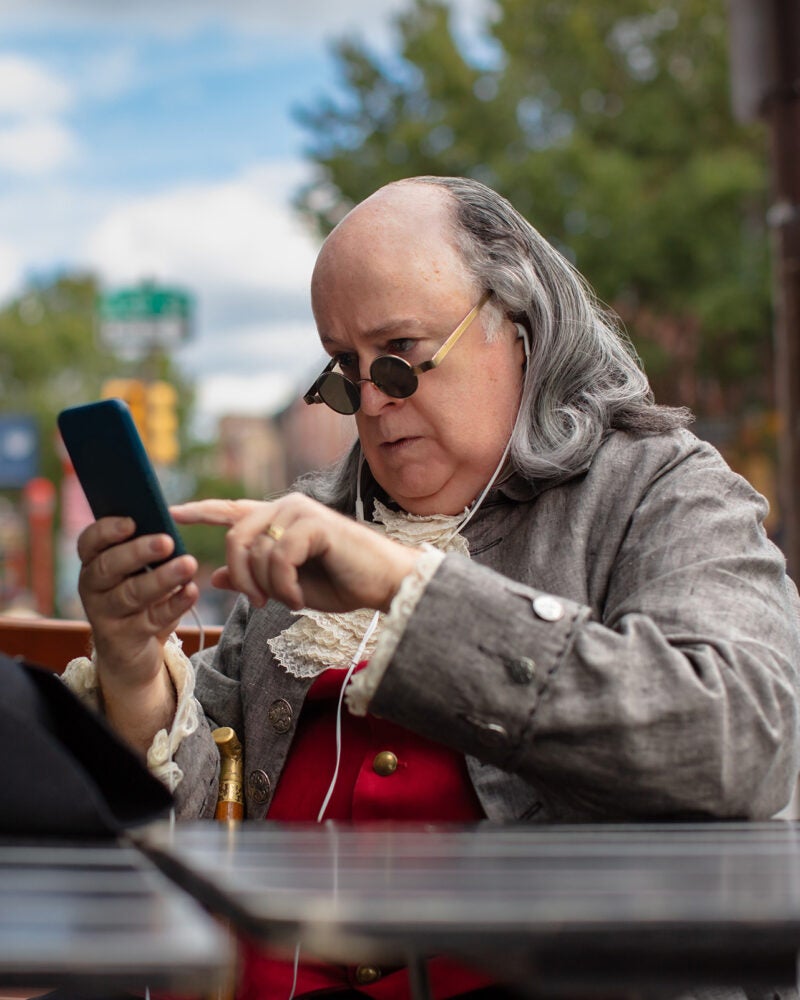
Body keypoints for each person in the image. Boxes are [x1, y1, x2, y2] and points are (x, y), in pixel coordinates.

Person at [65, 176, 800, 999]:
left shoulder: (663, 492)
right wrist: (132, 666)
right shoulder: (312, 520)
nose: (372, 404)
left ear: (516, 325)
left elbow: (741, 742)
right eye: (345, 369)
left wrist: (407, 586)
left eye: (403, 359)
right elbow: (210, 826)